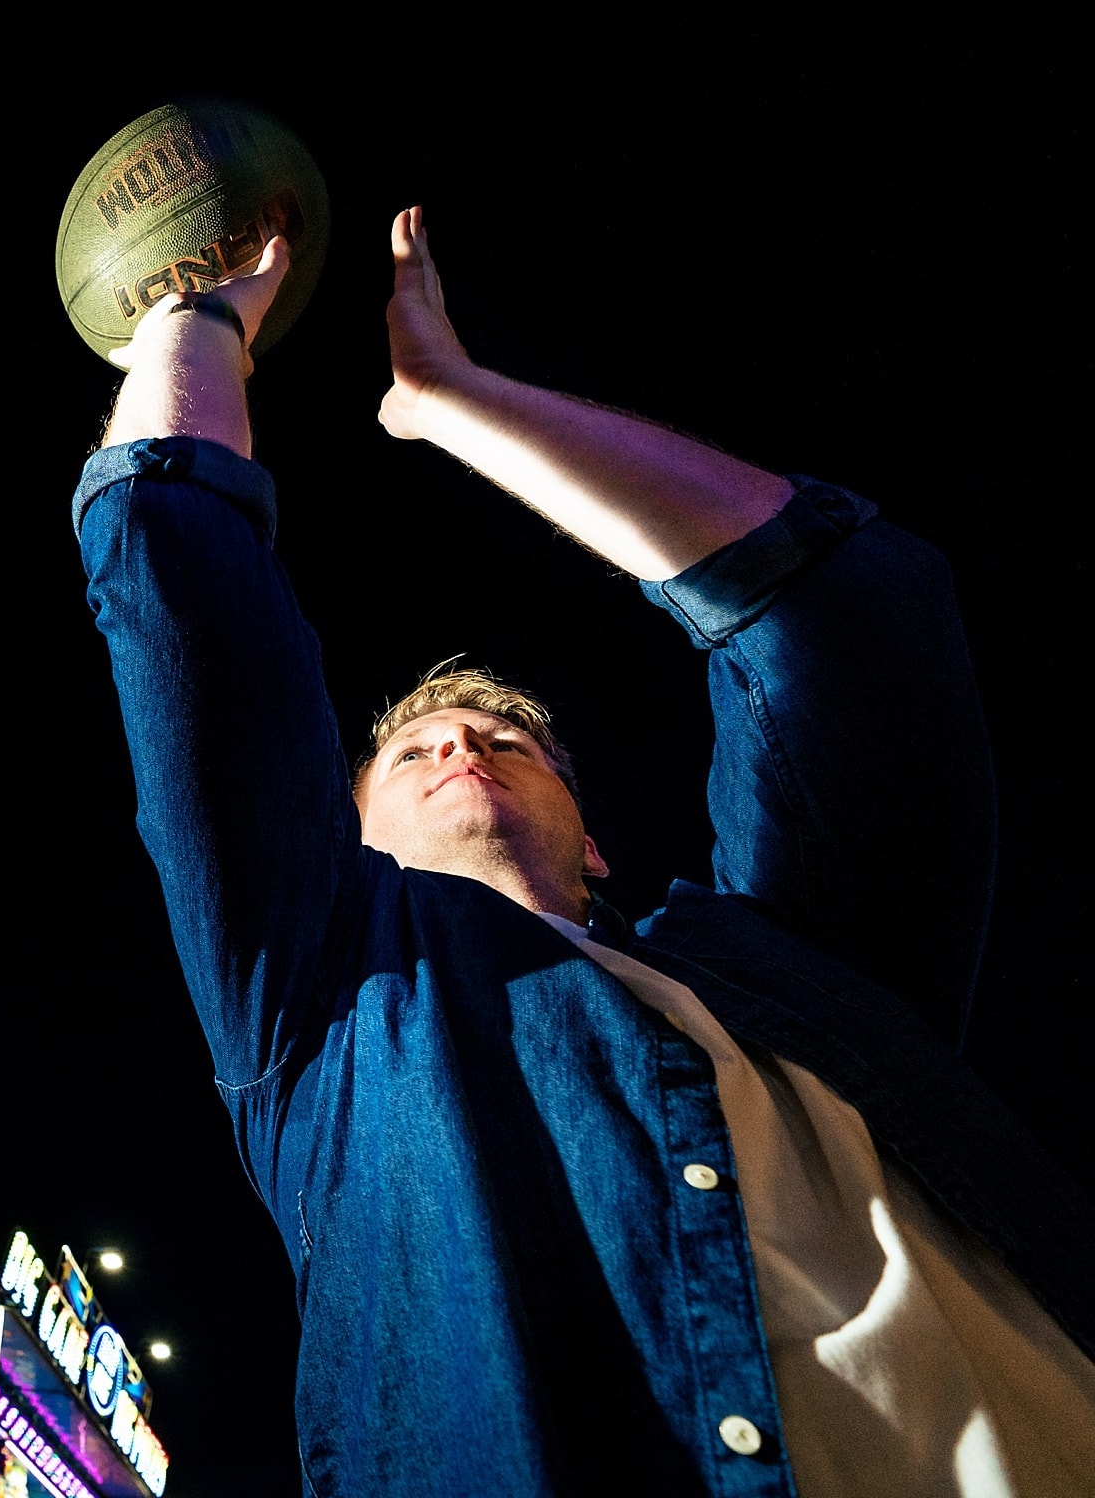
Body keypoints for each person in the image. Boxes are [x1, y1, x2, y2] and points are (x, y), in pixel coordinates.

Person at [73, 213, 1095, 1496]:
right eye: (413, 751)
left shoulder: (786, 963)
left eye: (508, 738)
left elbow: (846, 605)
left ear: (594, 836)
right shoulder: (321, 1017)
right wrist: (199, 316)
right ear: (348, 846)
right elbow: (175, 568)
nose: (462, 743)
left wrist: (458, 402)